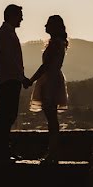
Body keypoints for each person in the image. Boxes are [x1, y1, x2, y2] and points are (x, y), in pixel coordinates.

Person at [28, 15, 69, 163]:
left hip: (50, 81)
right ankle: (53, 152)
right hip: (53, 79)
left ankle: (53, 153)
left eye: (48, 24)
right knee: (52, 119)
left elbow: (45, 66)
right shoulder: (59, 43)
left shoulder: (55, 44)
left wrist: (31, 80)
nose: (45, 26)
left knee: (51, 119)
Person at [0, 3, 30, 163]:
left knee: (6, 116)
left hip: (8, 80)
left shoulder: (6, 33)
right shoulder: (7, 34)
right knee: (6, 116)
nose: (22, 18)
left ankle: (2, 150)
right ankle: (1, 152)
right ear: (12, 16)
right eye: (20, 15)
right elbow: (11, 60)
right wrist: (22, 78)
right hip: (9, 80)